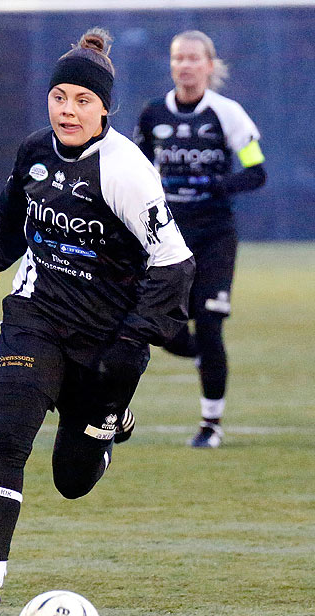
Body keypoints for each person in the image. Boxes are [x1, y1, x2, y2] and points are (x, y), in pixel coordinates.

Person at [0, 28, 195, 616]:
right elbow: (4, 221)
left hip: (106, 342)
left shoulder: (126, 171)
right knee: (7, 439)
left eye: (83, 100)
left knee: (72, 481)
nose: (69, 111)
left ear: (104, 108)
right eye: (60, 98)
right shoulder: (33, 152)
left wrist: (136, 340)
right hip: (36, 317)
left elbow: (176, 263)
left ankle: (111, 424)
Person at [134, 30, 266, 448]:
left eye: (194, 58)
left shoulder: (227, 114)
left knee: (209, 324)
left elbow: (256, 170)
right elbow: (135, 170)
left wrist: (217, 183)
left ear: (210, 65)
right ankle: (202, 358)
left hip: (213, 236)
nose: (186, 65)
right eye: (179, 58)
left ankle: (211, 424)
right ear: (171, 65)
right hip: (166, 236)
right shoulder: (154, 114)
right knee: (164, 328)